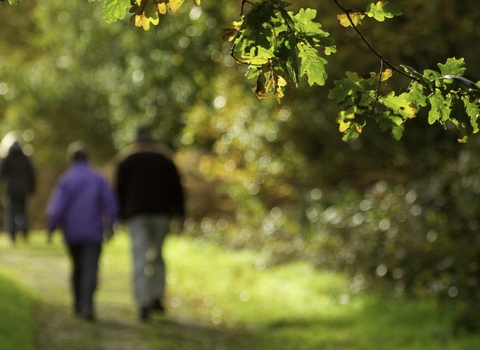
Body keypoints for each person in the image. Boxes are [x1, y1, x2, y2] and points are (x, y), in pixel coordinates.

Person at [115, 125, 185, 321]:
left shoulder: (126, 160)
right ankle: (156, 297)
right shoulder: (164, 159)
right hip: (162, 214)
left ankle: (142, 302)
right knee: (157, 256)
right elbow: (176, 188)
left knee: (140, 256)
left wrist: (119, 216)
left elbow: (119, 190)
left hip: (137, 215)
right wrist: (180, 214)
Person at [47, 142, 118, 321]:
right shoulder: (98, 178)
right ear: (88, 158)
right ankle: (88, 304)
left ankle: (78, 303)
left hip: (72, 233)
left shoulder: (66, 179)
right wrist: (110, 225)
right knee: (91, 269)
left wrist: (51, 228)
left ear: (70, 159)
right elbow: (111, 203)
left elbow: (56, 208)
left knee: (77, 267)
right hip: (93, 232)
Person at [0, 140, 36, 244]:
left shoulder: (7, 158)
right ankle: (24, 232)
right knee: (22, 211)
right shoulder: (25, 159)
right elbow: (31, 175)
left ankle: (12, 236)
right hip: (23, 191)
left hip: (11, 190)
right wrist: (31, 189)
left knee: (11, 212)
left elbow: (1, 174)